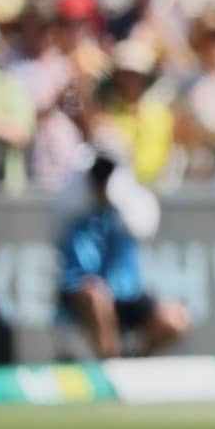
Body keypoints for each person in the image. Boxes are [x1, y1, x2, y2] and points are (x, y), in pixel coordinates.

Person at [57, 152, 190, 358]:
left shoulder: (126, 211)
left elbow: (143, 225)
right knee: (96, 295)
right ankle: (111, 364)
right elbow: (77, 277)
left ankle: (135, 360)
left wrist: (118, 196)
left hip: (129, 297)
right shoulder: (75, 219)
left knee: (176, 318)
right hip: (86, 298)